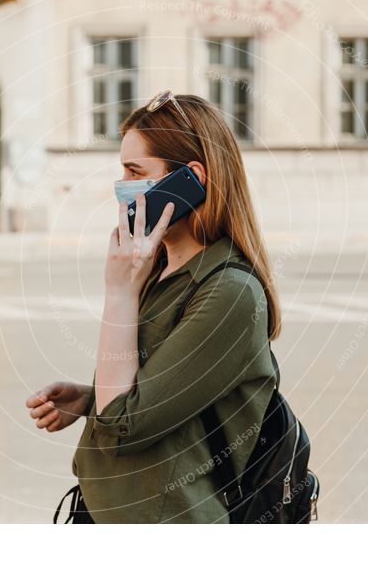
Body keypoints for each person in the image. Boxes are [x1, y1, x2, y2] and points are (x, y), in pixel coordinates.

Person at [25, 90, 283, 523]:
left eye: (135, 171)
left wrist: (119, 293)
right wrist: (91, 399)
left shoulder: (229, 292)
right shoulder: (155, 268)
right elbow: (158, 398)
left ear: (191, 179)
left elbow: (121, 430)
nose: (122, 187)